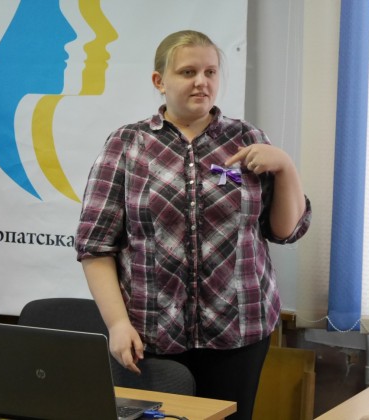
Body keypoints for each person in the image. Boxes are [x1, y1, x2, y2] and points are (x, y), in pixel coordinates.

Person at [75, 29, 311, 420]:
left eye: (210, 72)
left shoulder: (247, 139)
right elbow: (95, 246)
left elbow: (286, 230)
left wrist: (285, 166)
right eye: (188, 72)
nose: (202, 82)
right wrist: (117, 324)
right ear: (159, 81)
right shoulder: (127, 144)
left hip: (240, 330)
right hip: (151, 333)